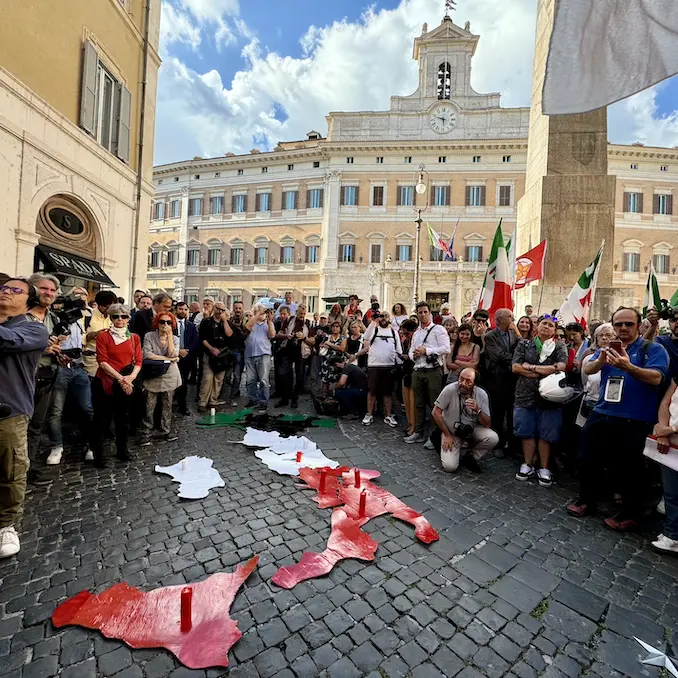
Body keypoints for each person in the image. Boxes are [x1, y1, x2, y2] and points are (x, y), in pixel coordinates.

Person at [568, 307, 669, 530]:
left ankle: (630, 513)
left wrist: (628, 366)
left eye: (629, 324)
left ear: (638, 325)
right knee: (587, 458)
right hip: (603, 411)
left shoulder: (652, 349)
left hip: (634, 418)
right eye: (618, 324)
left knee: (627, 467)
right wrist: (602, 359)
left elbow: (656, 378)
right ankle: (587, 501)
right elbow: (588, 367)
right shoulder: (607, 349)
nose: (623, 328)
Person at [0, 278, 50, 557]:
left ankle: (6, 524)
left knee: (11, 470)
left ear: (28, 301)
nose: (7, 291)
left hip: (8, 411)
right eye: (4, 288)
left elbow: (7, 341)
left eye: (15, 290)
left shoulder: (32, 329)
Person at [511, 314, 568, 487]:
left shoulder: (559, 346)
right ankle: (527, 464)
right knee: (526, 431)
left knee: (546, 434)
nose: (547, 327)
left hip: (550, 397)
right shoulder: (524, 343)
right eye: (544, 323)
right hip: (525, 394)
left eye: (551, 325)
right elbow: (515, 367)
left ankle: (544, 467)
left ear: (554, 330)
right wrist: (544, 370)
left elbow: (560, 367)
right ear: (537, 326)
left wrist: (530, 367)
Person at [45, 292, 95, 465]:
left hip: (79, 368)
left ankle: (91, 444)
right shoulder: (53, 320)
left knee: (86, 408)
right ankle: (56, 446)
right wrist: (56, 343)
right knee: (55, 411)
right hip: (60, 369)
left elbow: (81, 342)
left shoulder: (81, 321)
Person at [90, 304, 142, 467]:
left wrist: (131, 378)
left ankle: (122, 450)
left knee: (123, 418)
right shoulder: (104, 336)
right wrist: (122, 379)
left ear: (128, 318)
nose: (120, 319)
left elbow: (139, 361)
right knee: (101, 420)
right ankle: (99, 454)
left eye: (124, 316)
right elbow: (102, 361)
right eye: (115, 316)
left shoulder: (134, 337)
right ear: (110, 318)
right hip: (105, 382)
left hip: (126, 381)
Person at [26, 274, 61, 484]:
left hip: (47, 378)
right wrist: (42, 348)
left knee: (36, 426)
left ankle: (28, 467)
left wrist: (58, 353)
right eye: (43, 288)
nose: (48, 293)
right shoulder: (20, 317)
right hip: (23, 379)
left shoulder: (53, 319)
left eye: (52, 290)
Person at [431, 368, 498, 473]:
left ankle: (471, 456)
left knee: (493, 438)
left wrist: (478, 410)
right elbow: (435, 412)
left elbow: (487, 423)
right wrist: (447, 435)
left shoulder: (481, 394)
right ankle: (441, 438)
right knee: (450, 467)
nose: (463, 383)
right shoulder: (450, 389)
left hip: (472, 429)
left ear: (474, 384)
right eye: (461, 379)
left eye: (468, 381)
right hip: (452, 431)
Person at [405, 301, 451, 444]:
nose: (423, 315)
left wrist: (428, 351)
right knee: (418, 403)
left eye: (425, 312)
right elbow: (411, 351)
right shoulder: (417, 333)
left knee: (434, 404)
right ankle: (418, 432)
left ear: (430, 313)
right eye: (420, 312)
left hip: (433, 370)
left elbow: (446, 348)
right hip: (418, 370)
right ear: (417, 314)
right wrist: (414, 355)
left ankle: (434, 436)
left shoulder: (439, 329)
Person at [140, 312, 181, 444]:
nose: (165, 325)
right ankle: (146, 431)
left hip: (170, 375)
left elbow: (173, 352)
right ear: (157, 323)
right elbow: (147, 354)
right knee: (149, 405)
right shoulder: (149, 336)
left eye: (169, 322)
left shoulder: (175, 338)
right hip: (152, 374)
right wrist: (169, 359)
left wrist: (169, 337)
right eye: (162, 322)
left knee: (167, 404)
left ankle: (166, 430)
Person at [484, 308, 520, 453]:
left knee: (512, 414)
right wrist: (517, 360)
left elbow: (524, 348)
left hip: (513, 380)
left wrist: (517, 333)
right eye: (510, 316)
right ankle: (498, 444)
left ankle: (512, 445)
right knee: (498, 414)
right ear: (500, 320)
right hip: (498, 380)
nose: (513, 318)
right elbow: (497, 356)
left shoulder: (514, 334)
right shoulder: (490, 336)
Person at [361, 311, 402, 427]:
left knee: (388, 392)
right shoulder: (374, 329)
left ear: (390, 318)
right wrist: (374, 321)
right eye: (381, 316)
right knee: (372, 391)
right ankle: (369, 414)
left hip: (389, 366)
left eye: (386, 316)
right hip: (374, 365)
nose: (383, 318)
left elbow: (398, 350)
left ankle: (388, 415)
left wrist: (399, 364)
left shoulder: (394, 332)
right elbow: (366, 336)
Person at [651, 379, 678, 554]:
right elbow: (666, 401)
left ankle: (673, 536)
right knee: (671, 492)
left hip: (672, 436)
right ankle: (671, 532)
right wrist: (662, 430)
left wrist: (670, 430)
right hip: (670, 445)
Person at [577, 323, 614, 428]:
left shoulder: (621, 358)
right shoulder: (589, 359)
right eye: (600, 335)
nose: (604, 338)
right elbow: (584, 380)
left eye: (608, 335)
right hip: (591, 404)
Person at [198, 302, 233, 411]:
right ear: (214, 308)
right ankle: (202, 402)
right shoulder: (206, 321)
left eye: (222, 310)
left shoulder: (225, 322)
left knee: (218, 379)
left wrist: (225, 321)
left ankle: (213, 400)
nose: (220, 312)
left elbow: (229, 334)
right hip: (209, 352)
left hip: (222, 354)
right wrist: (211, 348)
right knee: (207, 378)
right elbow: (202, 338)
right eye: (218, 309)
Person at [245, 305, 276, 410]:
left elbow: (272, 335)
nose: (262, 313)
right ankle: (253, 399)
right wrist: (257, 313)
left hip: (264, 354)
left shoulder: (268, 324)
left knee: (263, 379)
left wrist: (270, 320)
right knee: (250, 380)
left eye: (263, 311)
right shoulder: (251, 322)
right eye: (259, 311)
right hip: (249, 354)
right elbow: (247, 327)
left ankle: (263, 401)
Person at [84, 290, 118, 378]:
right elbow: (80, 338)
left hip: (111, 361)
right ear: (100, 305)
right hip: (91, 361)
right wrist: (96, 334)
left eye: (111, 306)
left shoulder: (116, 317)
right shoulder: (88, 315)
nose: (108, 309)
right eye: (105, 306)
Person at [283, 304, 312, 407]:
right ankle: (285, 398)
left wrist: (304, 337)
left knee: (299, 375)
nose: (302, 315)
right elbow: (280, 332)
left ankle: (294, 398)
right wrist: (286, 335)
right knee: (286, 374)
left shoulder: (308, 323)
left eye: (304, 313)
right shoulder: (290, 320)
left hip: (301, 351)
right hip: (288, 349)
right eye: (300, 313)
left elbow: (312, 340)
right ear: (296, 312)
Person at [174, 302, 200, 415]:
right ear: (175, 310)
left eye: (185, 309)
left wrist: (187, 351)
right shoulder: (170, 323)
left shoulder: (191, 325)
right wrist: (177, 351)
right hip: (172, 356)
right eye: (181, 309)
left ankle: (182, 406)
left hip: (186, 358)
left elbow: (195, 340)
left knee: (183, 382)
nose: (183, 311)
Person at [224, 301, 248, 405]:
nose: (238, 310)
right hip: (230, 351)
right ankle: (233, 391)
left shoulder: (245, 321)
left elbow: (245, 335)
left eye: (239, 308)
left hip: (240, 351)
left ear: (242, 309)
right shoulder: (229, 320)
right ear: (233, 309)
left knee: (237, 376)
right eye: (236, 308)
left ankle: (232, 397)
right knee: (227, 376)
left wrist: (238, 328)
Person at [399, 320, 418, 436]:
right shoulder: (406, 342)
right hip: (406, 372)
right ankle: (410, 424)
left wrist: (409, 357)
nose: (405, 336)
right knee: (407, 401)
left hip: (414, 372)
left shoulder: (417, 341)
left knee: (413, 402)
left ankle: (414, 426)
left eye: (407, 333)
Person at [319, 320, 347, 392]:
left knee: (339, 382)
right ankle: (324, 399)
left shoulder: (343, 338)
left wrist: (330, 344)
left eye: (337, 326)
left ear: (340, 328)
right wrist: (324, 345)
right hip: (327, 362)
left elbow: (342, 348)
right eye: (333, 326)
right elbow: (321, 345)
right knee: (325, 382)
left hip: (338, 363)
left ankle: (337, 398)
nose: (335, 328)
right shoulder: (327, 336)